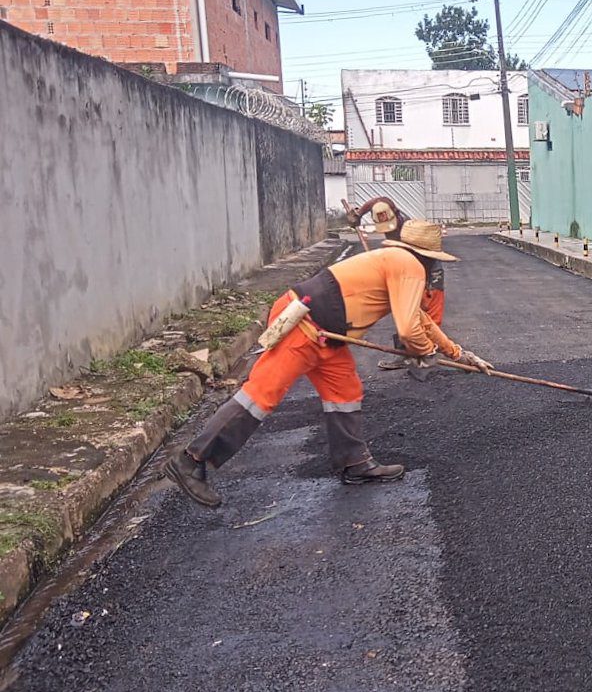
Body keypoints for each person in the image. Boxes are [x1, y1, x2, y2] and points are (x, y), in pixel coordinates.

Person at [163, 220, 492, 508]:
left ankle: (354, 462)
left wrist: (457, 353)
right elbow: (409, 329)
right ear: (427, 256)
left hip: (328, 335)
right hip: (305, 326)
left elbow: (419, 318)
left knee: (346, 392)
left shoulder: (396, 260)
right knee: (259, 397)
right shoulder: (409, 265)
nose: (435, 268)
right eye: (435, 261)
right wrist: (424, 351)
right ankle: (192, 460)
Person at [346, 197, 446, 369]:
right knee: (404, 312)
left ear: (397, 215)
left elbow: (424, 258)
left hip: (428, 270)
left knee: (430, 311)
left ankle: (427, 352)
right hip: (404, 269)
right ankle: (407, 354)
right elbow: (377, 201)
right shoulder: (383, 212)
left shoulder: (411, 229)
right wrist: (359, 214)